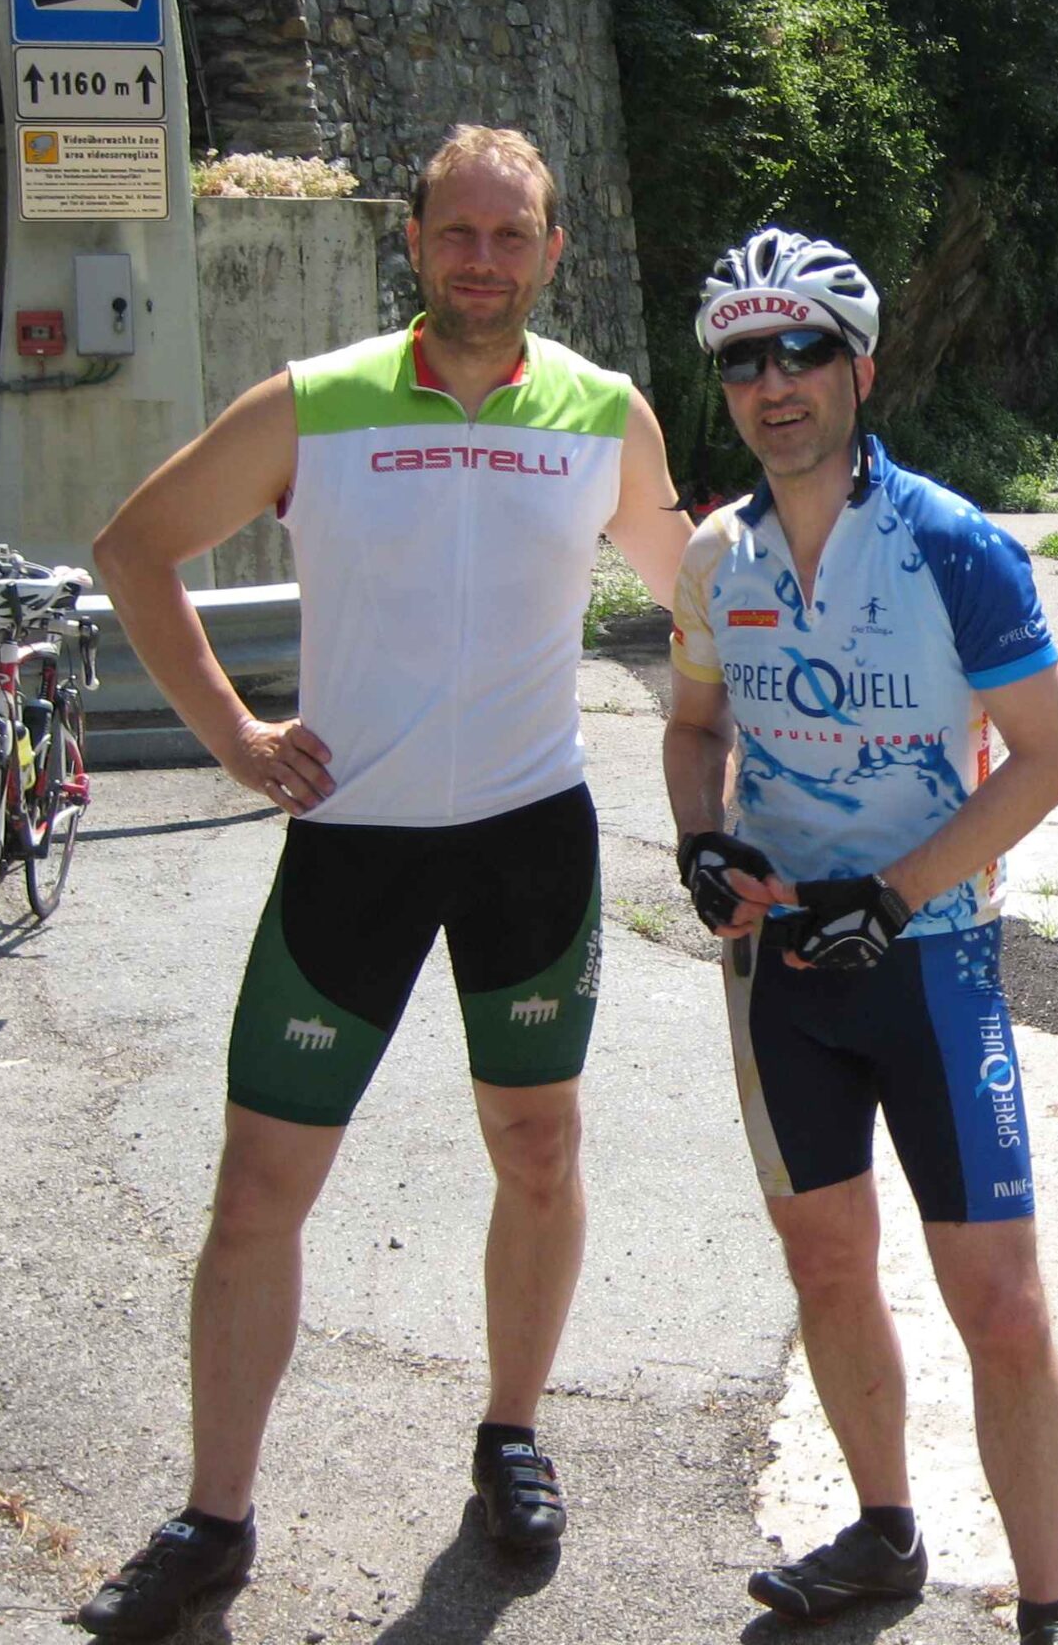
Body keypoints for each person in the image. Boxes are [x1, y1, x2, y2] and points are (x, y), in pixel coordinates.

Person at [76, 125, 691, 1640]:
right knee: (258, 1191)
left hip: (529, 841)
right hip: (351, 846)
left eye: (511, 235)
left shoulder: (603, 413)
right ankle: (215, 1517)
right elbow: (135, 548)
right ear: (412, 242)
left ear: (552, 253)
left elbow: (707, 598)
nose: (483, 260)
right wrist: (234, 735)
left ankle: (512, 1436)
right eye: (457, 233)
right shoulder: (318, 401)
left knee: (538, 1150)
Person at [662, 229, 1058, 1644]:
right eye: (744, 358)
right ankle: (885, 1533)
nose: (773, 382)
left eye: (802, 350)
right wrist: (701, 838)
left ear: (859, 367)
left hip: (933, 964)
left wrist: (898, 892)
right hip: (783, 970)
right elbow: (694, 728)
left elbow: (1049, 759)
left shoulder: (954, 545)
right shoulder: (715, 556)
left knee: (1002, 1305)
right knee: (828, 1266)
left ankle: (1045, 1611)